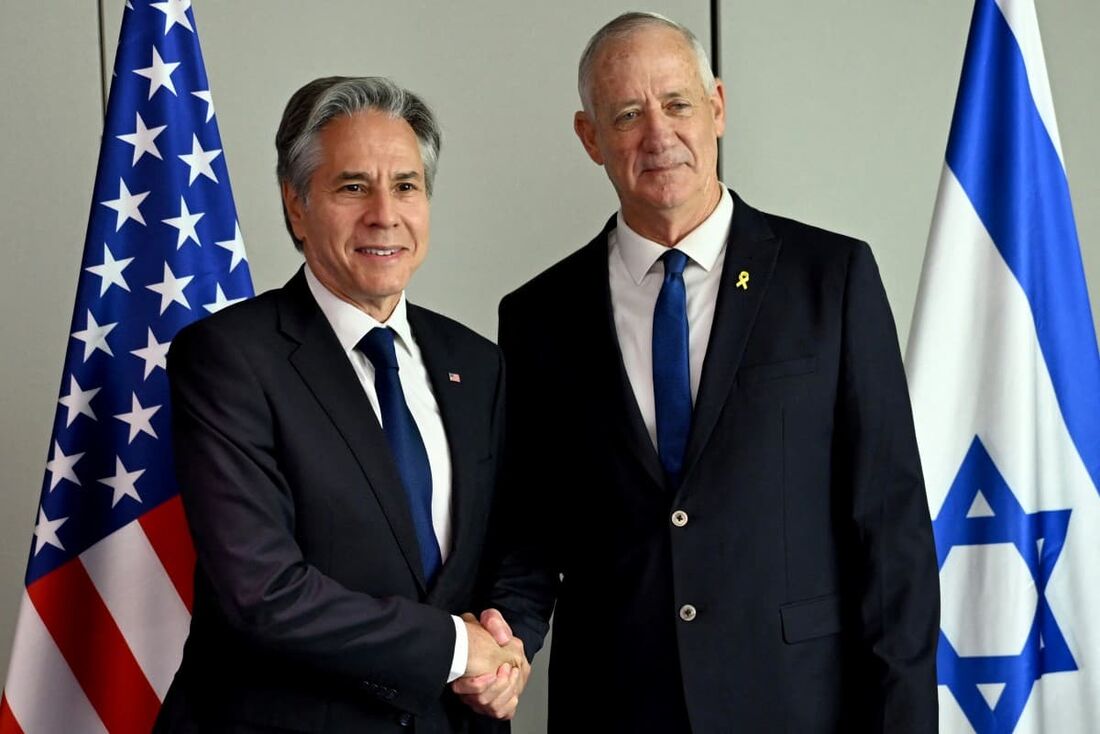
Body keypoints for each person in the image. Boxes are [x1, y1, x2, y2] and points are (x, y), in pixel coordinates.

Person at [484, 12, 940, 733]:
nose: (658, 135)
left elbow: (891, 537)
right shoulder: (539, 316)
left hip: (800, 705)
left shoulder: (831, 279)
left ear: (717, 108)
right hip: (618, 708)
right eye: (627, 113)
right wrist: (499, 641)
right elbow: (532, 531)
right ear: (590, 136)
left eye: (678, 104)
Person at [154, 76, 525, 733]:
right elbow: (263, 592)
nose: (385, 213)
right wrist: (456, 648)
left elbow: (513, 549)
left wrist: (505, 649)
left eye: (406, 185)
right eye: (353, 186)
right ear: (296, 205)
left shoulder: (477, 362)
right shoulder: (229, 359)